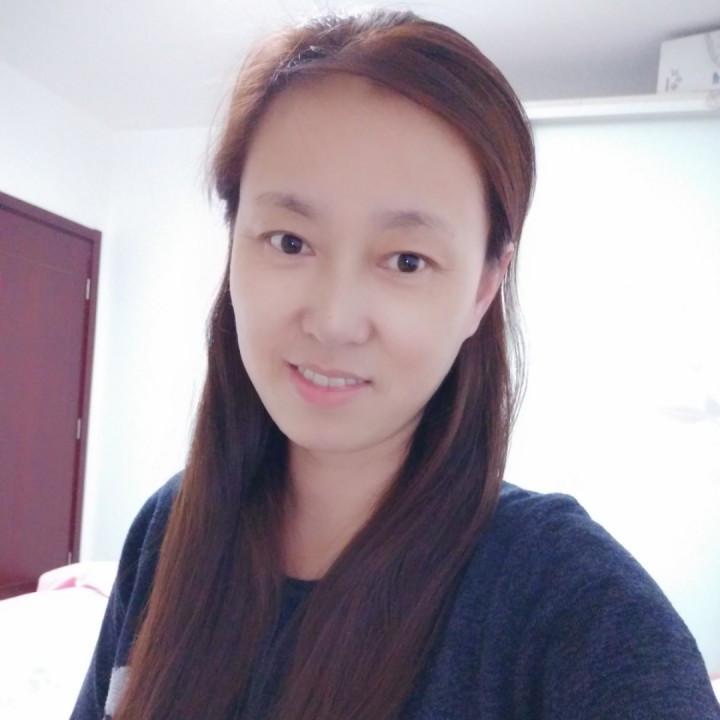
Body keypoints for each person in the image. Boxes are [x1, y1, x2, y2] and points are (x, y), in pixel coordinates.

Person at [71, 8, 720, 720]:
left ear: (483, 289)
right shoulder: (169, 531)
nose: (334, 320)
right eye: (289, 241)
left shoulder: (572, 605)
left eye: (407, 260)